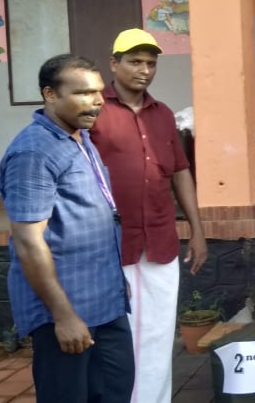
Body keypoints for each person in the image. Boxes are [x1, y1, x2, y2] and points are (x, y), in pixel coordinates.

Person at [0, 54, 133, 402]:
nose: (98, 100)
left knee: (115, 390)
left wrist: (114, 281)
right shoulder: (34, 152)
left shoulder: (78, 136)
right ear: (50, 94)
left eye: (99, 91)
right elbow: (28, 241)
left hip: (104, 300)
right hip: (67, 310)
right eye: (84, 93)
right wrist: (64, 317)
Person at [90, 28, 207, 403]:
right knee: (117, 336)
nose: (144, 70)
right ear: (114, 64)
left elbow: (180, 171)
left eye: (151, 63)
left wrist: (197, 229)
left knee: (158, 334)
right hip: (111, 244)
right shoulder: (94, 111)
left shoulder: (164, 114)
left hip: (160, 239)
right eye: (135, 62)